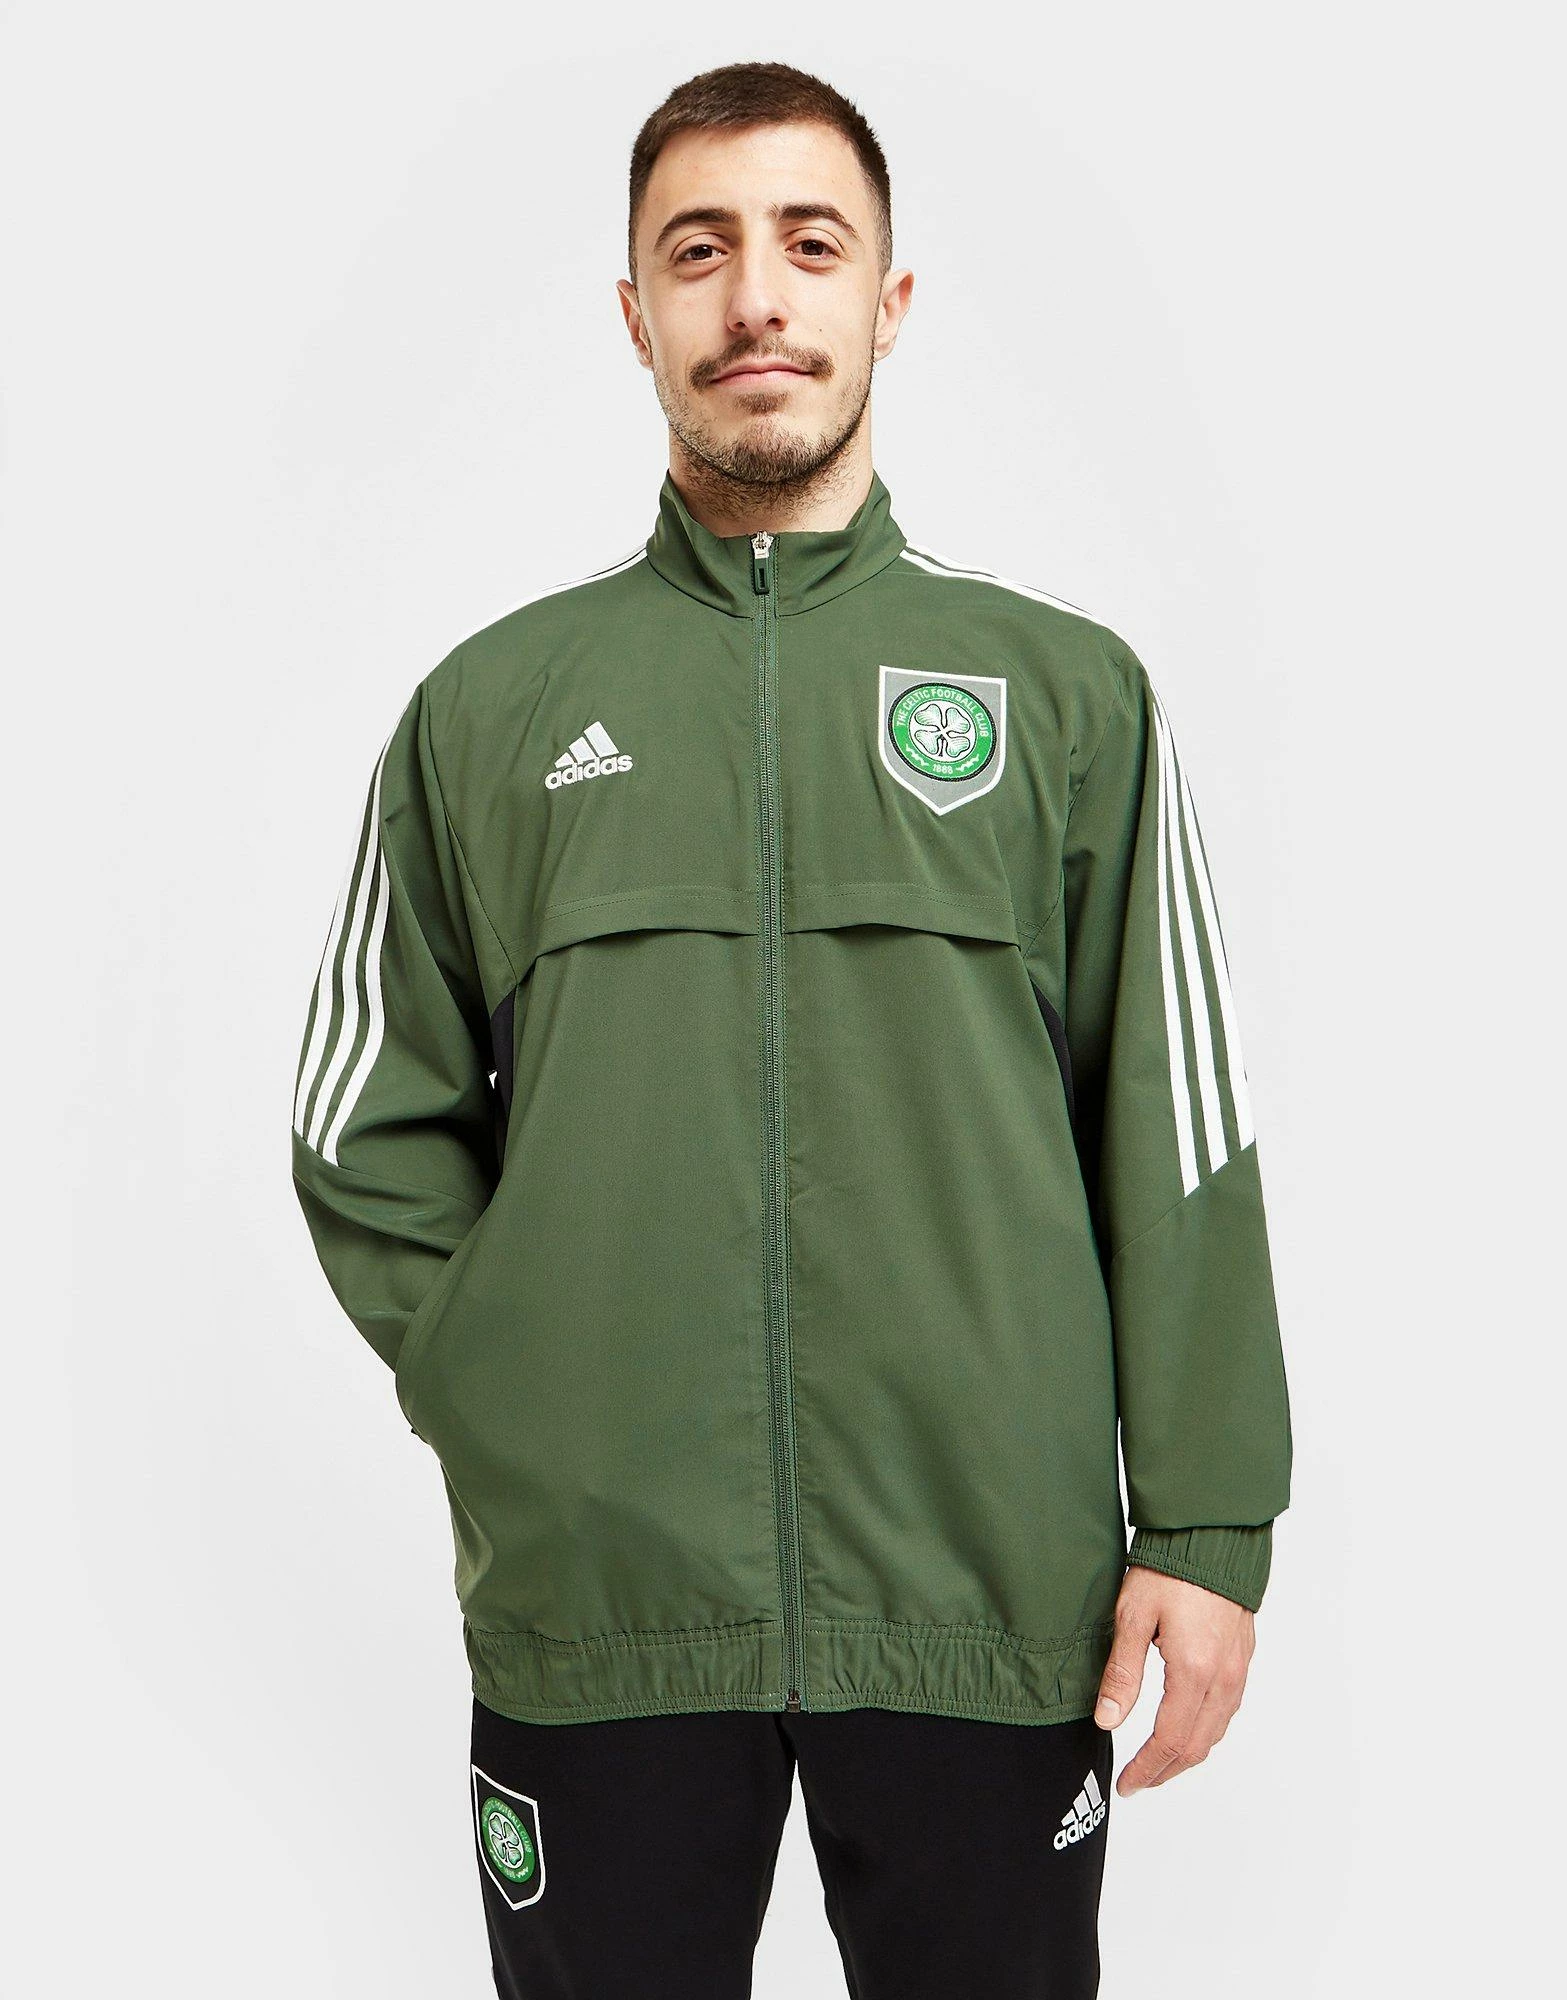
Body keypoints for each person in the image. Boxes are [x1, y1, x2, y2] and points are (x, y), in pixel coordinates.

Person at [290, 59, 1292, 1999]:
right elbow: (362, 1124)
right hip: (603, 1606)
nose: (757, 295)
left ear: (888, 299)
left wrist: (1206, 1519)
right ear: (637, 314)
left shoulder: (1064, 696)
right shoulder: (489, 714)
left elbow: (1178, 1125)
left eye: (810, 245)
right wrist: (522, 1396)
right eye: (700, 251)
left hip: (987, 1594)